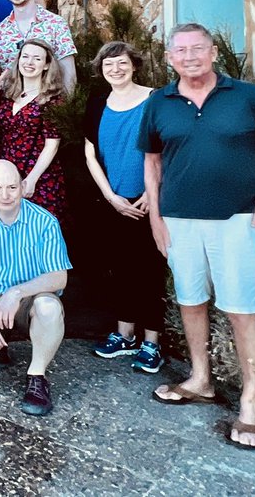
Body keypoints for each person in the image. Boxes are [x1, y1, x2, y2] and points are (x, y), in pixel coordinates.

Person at [141, 23, 255, 449]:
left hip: (236, 220)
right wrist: (155, 217)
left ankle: (251, 401)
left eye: (198, 48)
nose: (189, 56)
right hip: (178, 220)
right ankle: (200, 379)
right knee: (190, 300)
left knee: (242, 309)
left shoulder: (247, 96)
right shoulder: (159, 102)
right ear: (170, 58)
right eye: (180, 50)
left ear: (213, 53)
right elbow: (152, 163)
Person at [0, 159, 71, 416]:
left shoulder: (45, 222)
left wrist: (16, 292)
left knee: (49, 308)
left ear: (22, 186)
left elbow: (58, 277)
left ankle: (37, 377)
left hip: (31, 296)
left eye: (12, 187)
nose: (5, 195)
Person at [83, 42, 164, 373]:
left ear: (134, 65)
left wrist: (152, 192)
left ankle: (152, 343)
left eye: (122, 63)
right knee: (120, 268)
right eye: (108, 65)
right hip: (113, 201)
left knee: (150, 271)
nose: (115, 69)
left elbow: (169, 147)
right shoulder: (97, 102)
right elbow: (89, 153)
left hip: (149, 201)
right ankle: (125, 335)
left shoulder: (155, 99)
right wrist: (110, 197)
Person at [0, 39, 66, 218]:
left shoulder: (52, 100)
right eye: (25, 56)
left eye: (37, 58)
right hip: (7, 174)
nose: (29, 62)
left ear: (46, 65)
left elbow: (52, 145)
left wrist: (32, 179)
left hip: (38, 175)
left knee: (37, 226)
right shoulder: (8, 94)